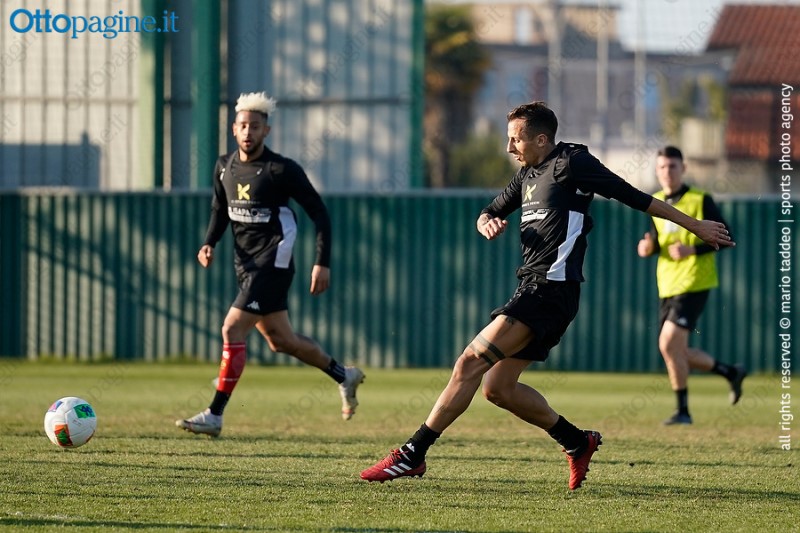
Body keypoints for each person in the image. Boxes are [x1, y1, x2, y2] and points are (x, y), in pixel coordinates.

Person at [359, 102, 734, 490]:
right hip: (534, 289)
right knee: (498, 389)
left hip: (550, 290)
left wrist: (695, 225)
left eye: (515, 139)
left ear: (541, 139)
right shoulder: (526, 174)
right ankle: (577, 441)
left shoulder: (573, 163)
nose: (509, 147)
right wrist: (486, 221)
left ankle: (412, 454)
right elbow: (490, 209)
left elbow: (633, 196)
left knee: (469, 362)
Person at [176, 91, 364, 437]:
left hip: (274, 262)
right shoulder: (224, 166)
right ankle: (344, 375)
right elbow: (220, 210)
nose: (249, 132)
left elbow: (319, 212)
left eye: (255, 126)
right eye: (243, 126)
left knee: (232, 329)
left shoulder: (281, 169)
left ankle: (214, 414)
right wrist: (208, 242)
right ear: (234, 129)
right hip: (245, 265)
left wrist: (321, 262)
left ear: (267, 131)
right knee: (282, 340)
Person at [637, 146, 745, 425]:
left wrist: (692, 250)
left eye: (672, 166)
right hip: (667, 283)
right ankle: (730, 372)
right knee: (675, 350)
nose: (667, 172)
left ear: (683, 168)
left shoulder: (700, 199)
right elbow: (657, 240)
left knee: (668, 343)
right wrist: (648, 247)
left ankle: (684, 411)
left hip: (695, 280)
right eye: (662, 167)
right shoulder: (656, 202)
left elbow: (727, 237)